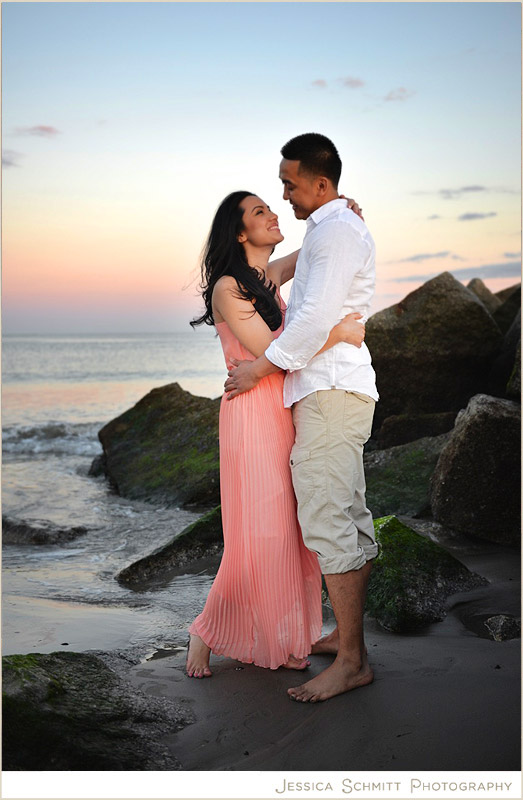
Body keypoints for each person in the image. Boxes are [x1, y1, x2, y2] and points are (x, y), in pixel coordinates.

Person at [224, 133, 379, 703]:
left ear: (319, 183)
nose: (283, 193)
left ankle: (353, 662)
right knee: (347, 515)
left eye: (289, 184)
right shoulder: (329, 228)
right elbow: (280, 288)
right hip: (333, 390)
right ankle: (347, 639)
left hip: (331, 390)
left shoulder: (335, 232)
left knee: (327, 519)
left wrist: (261, 368)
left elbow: (312, 323)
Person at [186, 189, 367, 678]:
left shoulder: (265, 277)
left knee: (289, 530)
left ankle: (282, 637)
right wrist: (339, 334)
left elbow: (313, 250)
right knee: (259, 531)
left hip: (281, 405)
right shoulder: (228, 286)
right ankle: (205, 630)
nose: (273, 213)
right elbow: (272, 348)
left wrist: (339, 214)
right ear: (240, 232)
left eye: (271, 206)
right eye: (259, 211)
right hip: (250, 413)